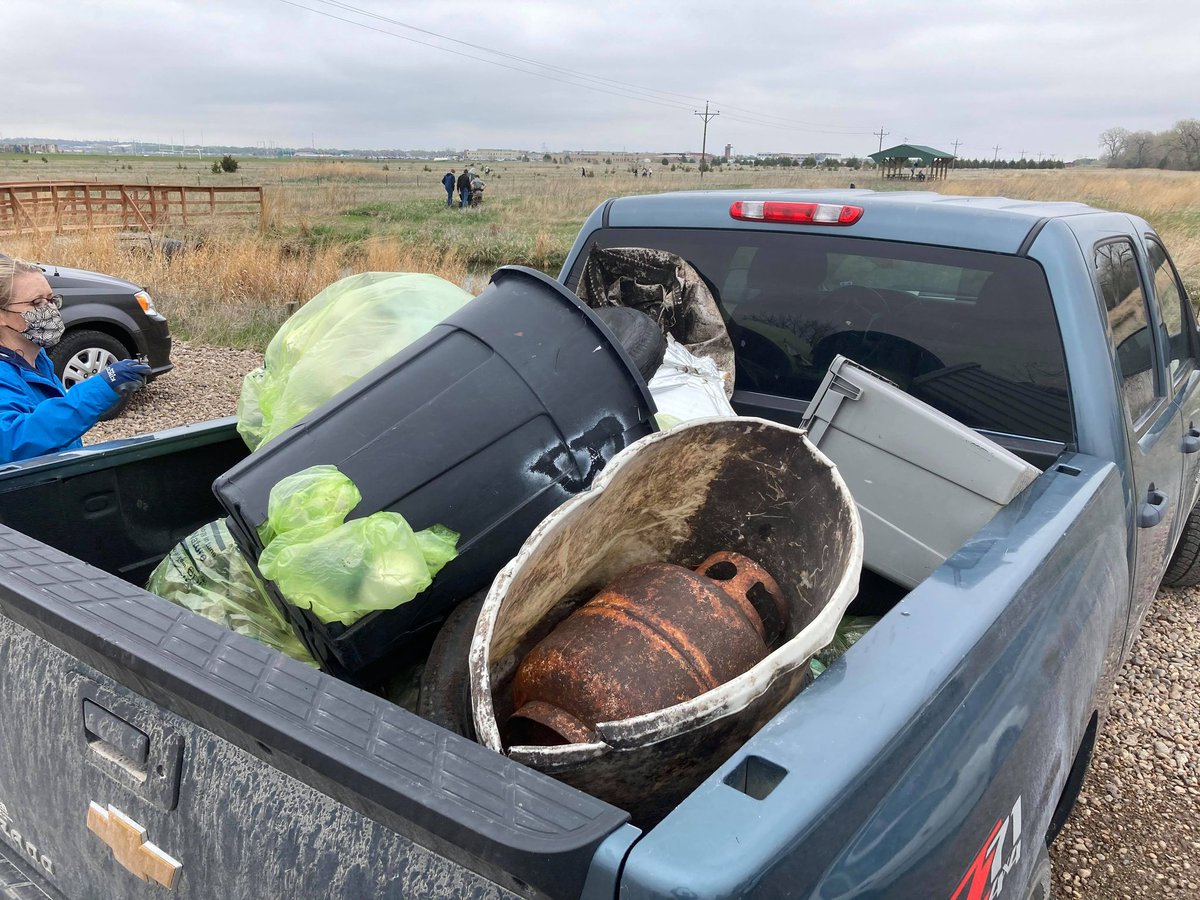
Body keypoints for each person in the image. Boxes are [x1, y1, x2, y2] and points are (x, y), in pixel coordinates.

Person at [0, 255, 150, 463]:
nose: (50, 310)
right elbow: (13, 441)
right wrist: (101, 387)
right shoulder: (4, 373)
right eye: (36, 303)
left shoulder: (37, 360)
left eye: (51, 300)